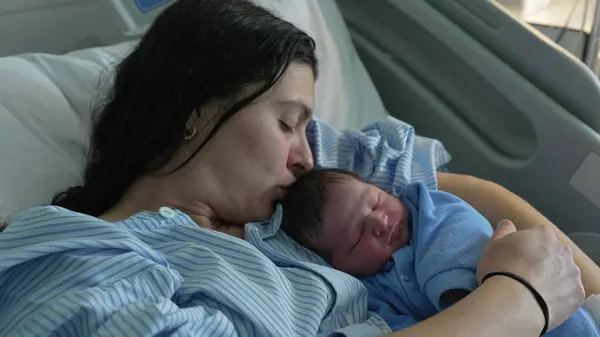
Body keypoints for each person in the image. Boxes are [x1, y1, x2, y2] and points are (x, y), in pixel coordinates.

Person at [0, 0, 591, 336]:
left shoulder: (292, 194)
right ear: (197, 112)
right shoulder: (77, 255)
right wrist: (520, 299)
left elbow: (457, 192)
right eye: (288, 122)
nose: (308, 153)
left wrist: (583, 285)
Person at [280, 168, 599, 336]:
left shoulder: (430, 209)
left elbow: (462, 239)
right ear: (340, 265)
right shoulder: (371, 292)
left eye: (376, 202)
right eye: (358, 235)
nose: (379, 221)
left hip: (557, 315)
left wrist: (465, 301)